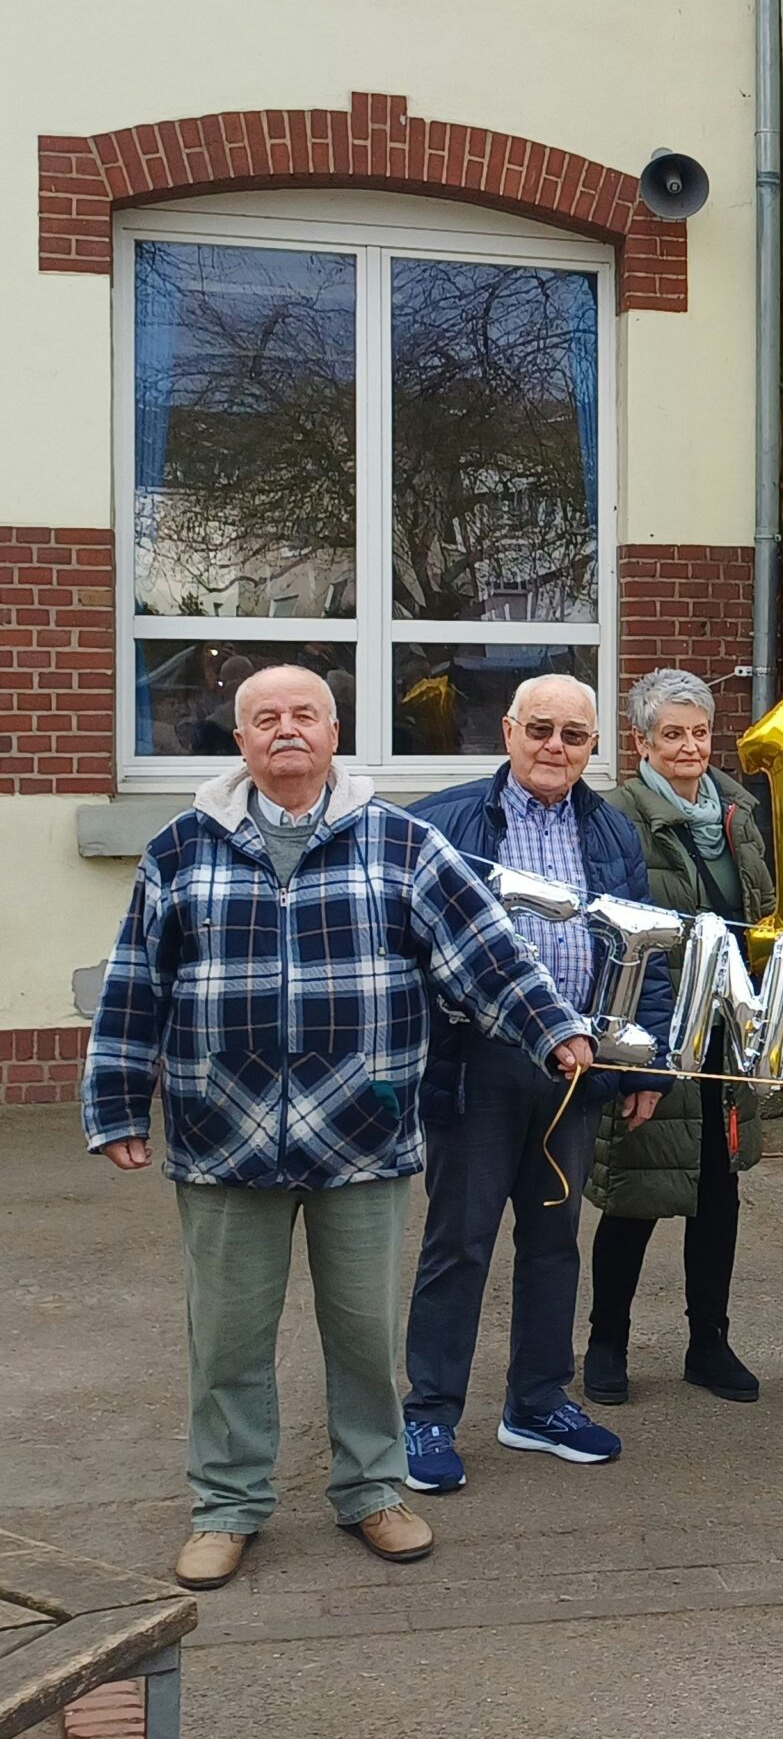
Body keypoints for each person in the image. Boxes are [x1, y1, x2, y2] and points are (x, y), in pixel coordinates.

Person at [82, 666, 592, 1589]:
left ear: (333, 732)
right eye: (264, 718)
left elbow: (484, 950)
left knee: (363, 1331)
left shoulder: (401, 844)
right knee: (228, 1338)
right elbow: (134, 987)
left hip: (364, 1131)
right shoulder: (181, 849)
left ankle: (372, 1490)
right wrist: (117, 1102)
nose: (286, 730)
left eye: (304, 715)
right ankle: (227, 1504)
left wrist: (553, 1027)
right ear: (239, 742)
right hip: (221, 1135)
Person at [400, 674, 672, 1495]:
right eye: (541, 730)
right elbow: (405, 945)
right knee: (460, 1242)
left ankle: (537, 1402)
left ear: (595, 747)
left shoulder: (614, 831)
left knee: (554, 1243)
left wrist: (643, 1061)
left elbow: (644, 944)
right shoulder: (444, 821)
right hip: (476, 1063)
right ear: (509, 732)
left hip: (577, 1069)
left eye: (575, 736)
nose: (556, 748)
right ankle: (429, 1415)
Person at [585, 668, 777, 1408]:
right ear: (641, 743)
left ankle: (710, 1342)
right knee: (635, 1189)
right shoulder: (617, 816)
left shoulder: (736, 808)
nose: (690, 746)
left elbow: (759, 906)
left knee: (719, 1189)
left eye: (699, 732)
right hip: (655, 1031)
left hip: (730, 1030)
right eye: (673, 734)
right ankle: (607, 1343)